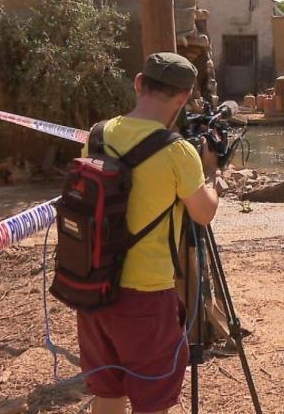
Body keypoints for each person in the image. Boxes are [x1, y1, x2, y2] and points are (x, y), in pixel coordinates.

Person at [78, 53, 220, 414]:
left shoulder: (97, 136)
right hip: (146, 295)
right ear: (184, 98)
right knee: (152, 400)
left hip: (93, 288)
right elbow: (203, 214)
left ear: (139, 83)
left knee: (107, 392)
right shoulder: (178, 151)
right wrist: (210, 174)